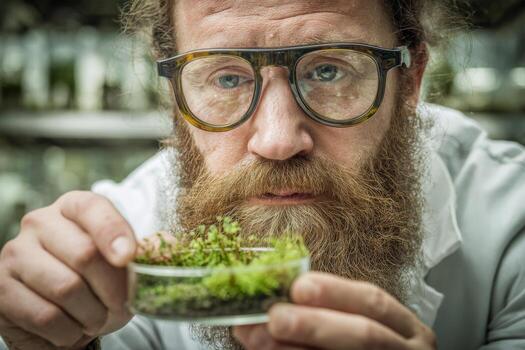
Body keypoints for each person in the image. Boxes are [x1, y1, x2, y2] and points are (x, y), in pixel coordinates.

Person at [1, 0, 524, 349]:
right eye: (226, 77)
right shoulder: (126, 241)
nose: (276, 140)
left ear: (409, 81)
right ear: (176, 95)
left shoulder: (511, 232)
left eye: (329, 70)